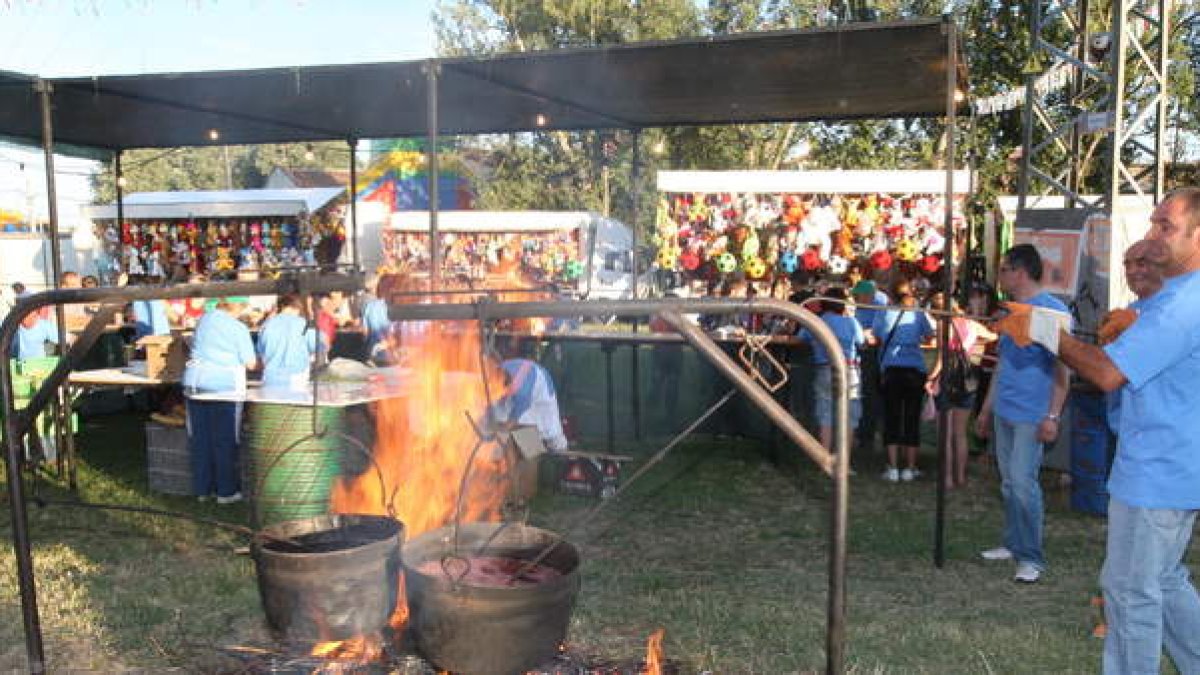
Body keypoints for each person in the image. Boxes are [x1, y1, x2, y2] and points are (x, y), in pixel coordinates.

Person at [999, 189, 1200, 672]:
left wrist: (1046, 332)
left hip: (1160, 470)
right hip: (1164, 465)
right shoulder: (1171, 298)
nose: (1152, 238)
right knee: (1164, 580)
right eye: (1152, 224)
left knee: (1130, 592)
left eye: (1165, 227)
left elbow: (1107, 373)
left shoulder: (1184, 304)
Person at [974, 243, 1070, 584]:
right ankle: (1013, 544)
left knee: (1023, 484)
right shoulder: (1007, 311)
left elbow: (1063, 369)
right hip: (1006, 411)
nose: (999, 276)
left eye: (1004, 269)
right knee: (1009, 483)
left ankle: (1031, 557)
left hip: (1033, 413)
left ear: (1021, 272)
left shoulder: (1051, 312)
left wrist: (1053, 415)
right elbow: (1002, 365)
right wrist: (986, 409)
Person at [181, 297, 256, 504]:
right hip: (224, 388)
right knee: (225, 441)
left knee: (200, 440)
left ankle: (202, 490)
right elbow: (251, 364)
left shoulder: (203, 320)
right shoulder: (237, 328)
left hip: (195, 385)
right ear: (239, 307)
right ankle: (226, 491)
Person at [925, 295, 996, 489]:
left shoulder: (943, 326)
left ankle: (946, 478)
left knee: (945, 435)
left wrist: (931, 378)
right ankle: (960, 477)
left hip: (947, 380)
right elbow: (993, 336)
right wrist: (975, 343)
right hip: (968, 380)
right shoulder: (972, 325)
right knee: (960, 434)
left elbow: (942, 357)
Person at [872, 280, 935, 482]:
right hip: (915, 370)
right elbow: (930, 335)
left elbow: (877, 335)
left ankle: (892, 467)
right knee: (911, 418)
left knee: (891, 417)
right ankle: (910, 467)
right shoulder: (918, 313)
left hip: (891, 369)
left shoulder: (884, 312)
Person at [797, 286, 865, 455]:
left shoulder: (817, 321)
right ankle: (843, 460)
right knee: (850, 416)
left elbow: (800, 337)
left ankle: (825, 457)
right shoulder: (851, 322)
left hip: (824, 369)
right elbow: (861, 342)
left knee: (825, 414)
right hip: (849, 369)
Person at [256, 293, 318, 389]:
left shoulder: (266, 325)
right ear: (300, 305)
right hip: (298, 379)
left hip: (271, 379)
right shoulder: (305, 325)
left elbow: (261, 354)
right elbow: (318, 347)